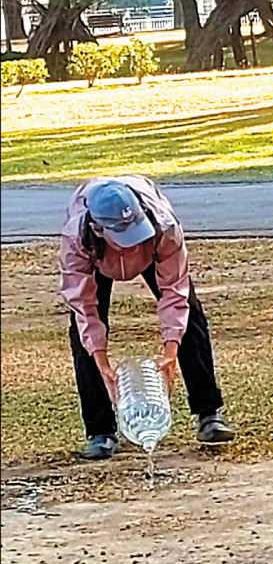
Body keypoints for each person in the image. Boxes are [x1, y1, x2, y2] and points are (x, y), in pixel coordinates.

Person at [60, 174, 235, 460]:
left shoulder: (162, 227)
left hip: (154, 252)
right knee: (82, 333)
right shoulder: (77, 240)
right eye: (122, 236)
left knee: (190, 312)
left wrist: (170, 351)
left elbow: (174, 293)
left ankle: (209, 415)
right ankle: (100, 432)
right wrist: (102, 363)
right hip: (98, 259)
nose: (130, 243)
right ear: (99, 229)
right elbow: (83, 306)